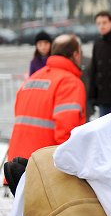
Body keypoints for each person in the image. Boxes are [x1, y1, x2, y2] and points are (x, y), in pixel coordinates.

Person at [7, 34, 86, 163]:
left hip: (17, 165)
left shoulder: (32, 79)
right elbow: (66, 134)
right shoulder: (70, 83)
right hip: (44, 168)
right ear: (76, 54)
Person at [88, 11, 111, 117]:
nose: (101, 26)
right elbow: (94, 70)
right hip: (103, 98)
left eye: (104, 22)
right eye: (99, 23)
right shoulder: (97, 43)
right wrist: (92, 96)